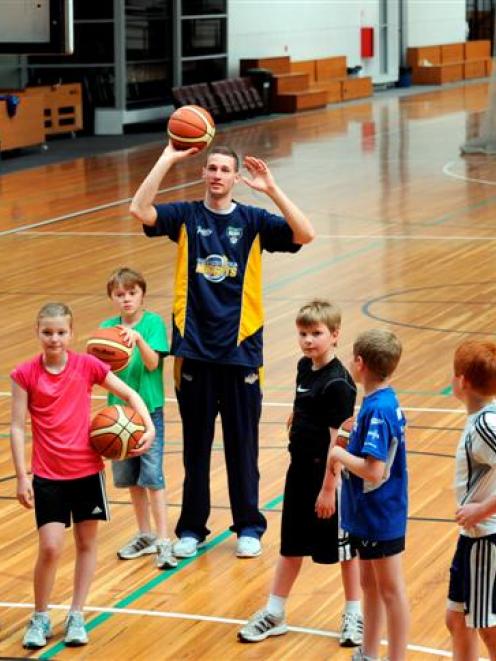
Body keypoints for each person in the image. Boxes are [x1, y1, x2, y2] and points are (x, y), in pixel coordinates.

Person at [129, 142, 315, 559]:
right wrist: (167, 158)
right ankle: (192, 527)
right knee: (195, 449)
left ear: (235, 178)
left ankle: (248, 525)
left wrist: (272, 189)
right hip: (192, 353)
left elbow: (305, 233)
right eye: (211, 168)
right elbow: (140, 210)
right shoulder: (185, 217)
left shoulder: (252, 220)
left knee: (242, 447)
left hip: (241, 353)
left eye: (224, 169)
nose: (216, 174)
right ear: (205, 175)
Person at [10, 302, 155, 650]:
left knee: (86, 545)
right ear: (37, 333)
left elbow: (130, 393)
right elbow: (16, 426)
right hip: (47, 475)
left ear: (71, 334)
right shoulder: (24, 373)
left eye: (61, 332)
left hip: (87, 473)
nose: (54, 339)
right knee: (50, 547)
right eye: (48, 332)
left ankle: (77, 613)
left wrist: (148, 428)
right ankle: (41, 615)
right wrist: (21, 476)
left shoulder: (87, 365)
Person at [238, 300, 363, 647]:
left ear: (335, 335)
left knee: (344, 551)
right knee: (290, 546)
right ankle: (275, 613)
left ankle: (355, 615)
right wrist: (298, 416)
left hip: (327, 478)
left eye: (316, 334)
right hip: (298, 473)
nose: (308, 340)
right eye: (303, 333)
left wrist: (328, 488)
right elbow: (305, 403)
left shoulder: (339, 383)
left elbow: (337, 441)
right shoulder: (304, 368)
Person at [328, 328, 409, 661]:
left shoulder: (378, 409)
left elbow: (374, 470)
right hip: (367, 513)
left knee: (391, 591)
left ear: (360, 363)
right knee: (370, 586)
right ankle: (369, 652)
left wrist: (338, 455)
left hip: (380, 515)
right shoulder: (379, 401)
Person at [101, 267, 176, 570]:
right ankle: (144, 534)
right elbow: (99, 369)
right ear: (112, 297)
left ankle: (163, 540)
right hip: (118, 414)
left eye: (132, 293)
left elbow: (152, 362)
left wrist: (137, 340)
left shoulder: (153, 324)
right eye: (120, 294)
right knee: (131, 478)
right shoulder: (107, 327)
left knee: (153, 477)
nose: (126, 299)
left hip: (149, 413)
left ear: (142, 294)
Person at [445, 340, 496, 661]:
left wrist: (482, 509)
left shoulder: (484, 426)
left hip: (485, 539)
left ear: (461, 381)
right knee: (457, 620)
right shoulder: (484, 418)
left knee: (488, 628)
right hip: (472, 539)